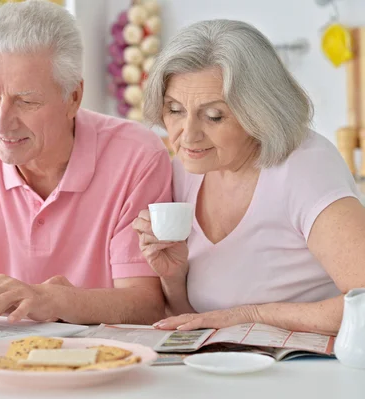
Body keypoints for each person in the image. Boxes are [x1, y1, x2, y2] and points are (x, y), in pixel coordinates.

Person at [0, 0, 172, 328]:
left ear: (73, 97)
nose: (1, 125)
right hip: (2, 360)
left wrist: (51, 299)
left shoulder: (137, 156)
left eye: (26, 101)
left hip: (108, 362)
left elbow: (146, 305)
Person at [133, 19, 365, 335]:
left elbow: (362, 302)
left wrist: (251, 314)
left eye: (214, 116)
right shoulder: (187, 169)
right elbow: (198, 321)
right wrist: (174, 278)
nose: (187, 135)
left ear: (259, 113)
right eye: (174, 110)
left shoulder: (304, 168)